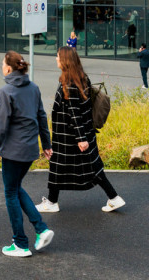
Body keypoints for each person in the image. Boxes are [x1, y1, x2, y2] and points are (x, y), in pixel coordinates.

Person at [0, 51, 54, 258]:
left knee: (10, 193)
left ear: (8, 68)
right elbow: (41, 116)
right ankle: (41, 229)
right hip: (30, 150)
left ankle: (21, 243)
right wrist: (46, 144)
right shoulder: (33, 88)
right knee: (15, 188)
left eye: (2, 63)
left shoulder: (6, 91)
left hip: (13, 152)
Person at [36, 48, 123, 214]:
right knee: (89, 166)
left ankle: (53, 202)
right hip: (77, 134)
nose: (56, 59)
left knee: (64, 166)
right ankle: (113, 198)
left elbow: (74, 112)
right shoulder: (81, 78)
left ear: (65, 61)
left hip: (69, 136)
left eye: (58, 57)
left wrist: (81, 138)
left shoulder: (70, 83)